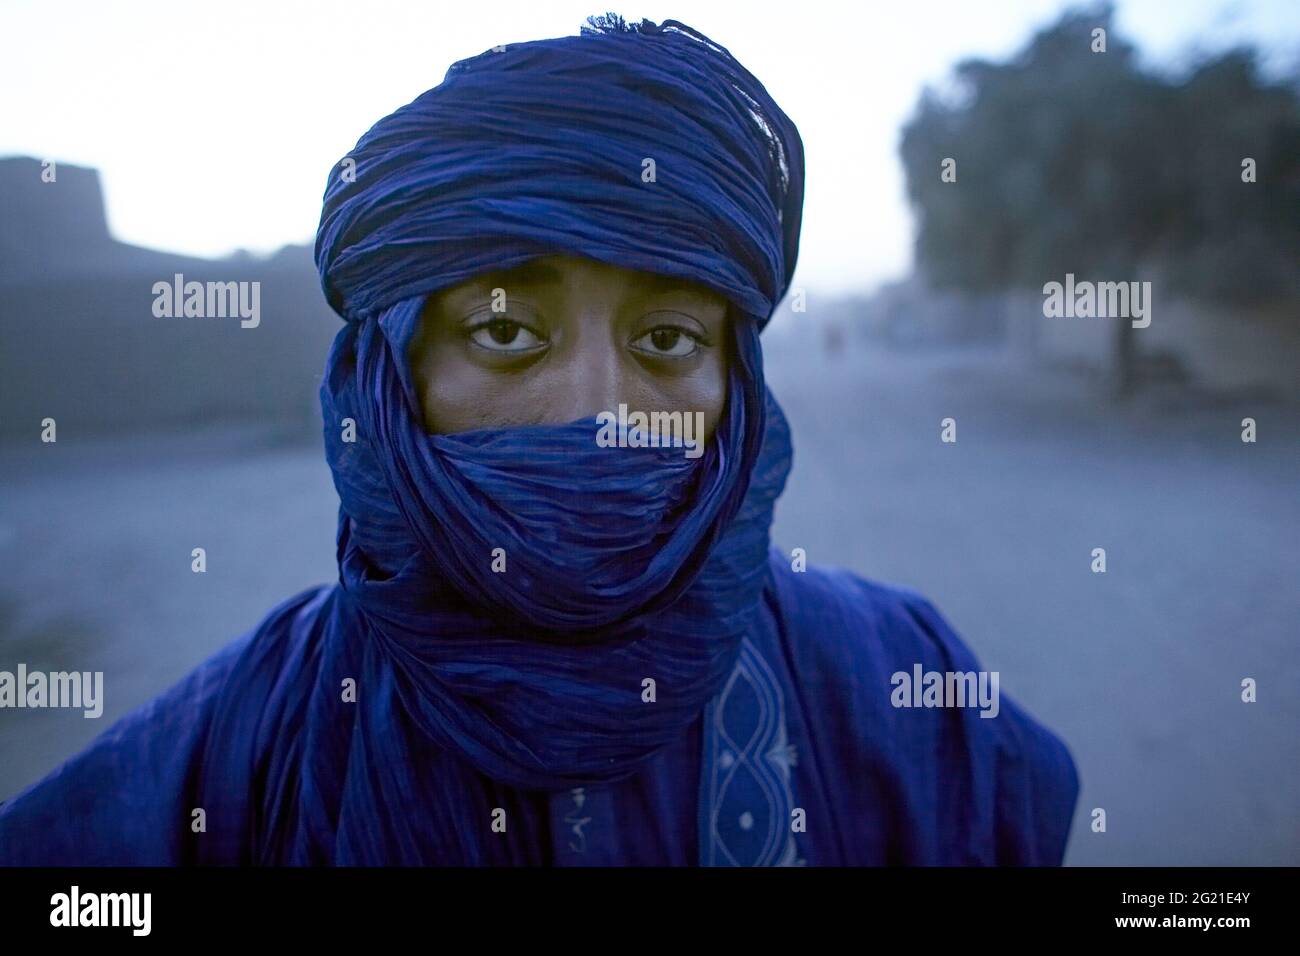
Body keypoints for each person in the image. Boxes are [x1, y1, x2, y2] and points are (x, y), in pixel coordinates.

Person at [0, 13, 1078, 866]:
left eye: (666, 336)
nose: (597, 411)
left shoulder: (898, 691)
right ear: (388, 383)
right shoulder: (232, 754)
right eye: (506, 330)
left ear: (735, 388)